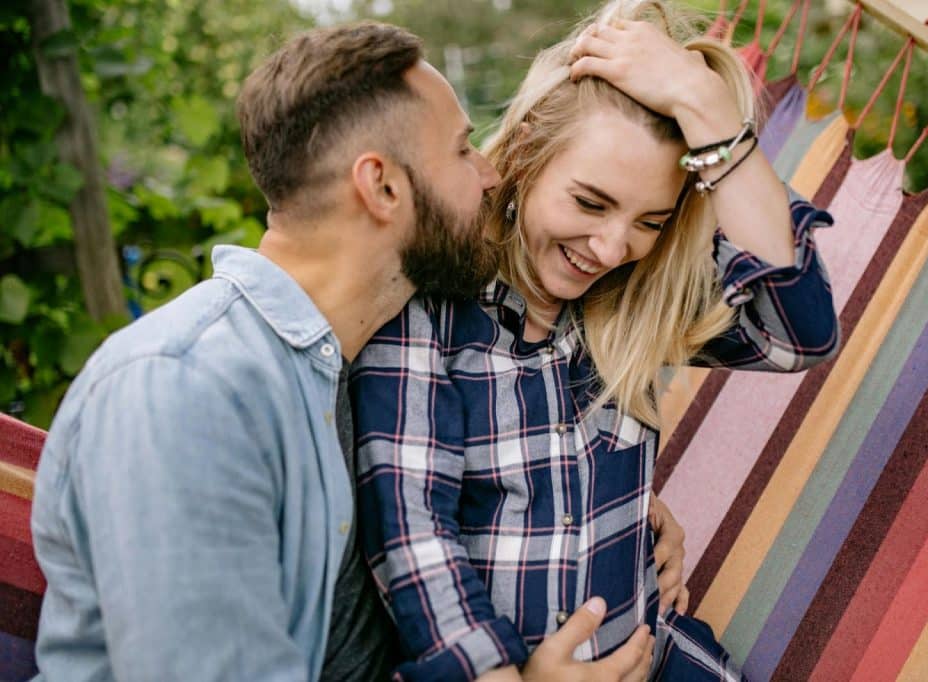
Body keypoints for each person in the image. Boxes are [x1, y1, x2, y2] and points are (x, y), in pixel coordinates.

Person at [351, 1, 841, 680]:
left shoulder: (627, 302)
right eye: (589, 203)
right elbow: (412, 536)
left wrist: (708, 112)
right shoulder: (430, 308)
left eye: (651, 220)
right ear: (523, 154)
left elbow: (798, 335)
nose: (611, 248)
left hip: (654, 655)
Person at [30, 21, 513, 681]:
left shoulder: (359, 364)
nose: (489, 175)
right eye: (463, 150)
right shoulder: (187, 391)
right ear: (382, 187)